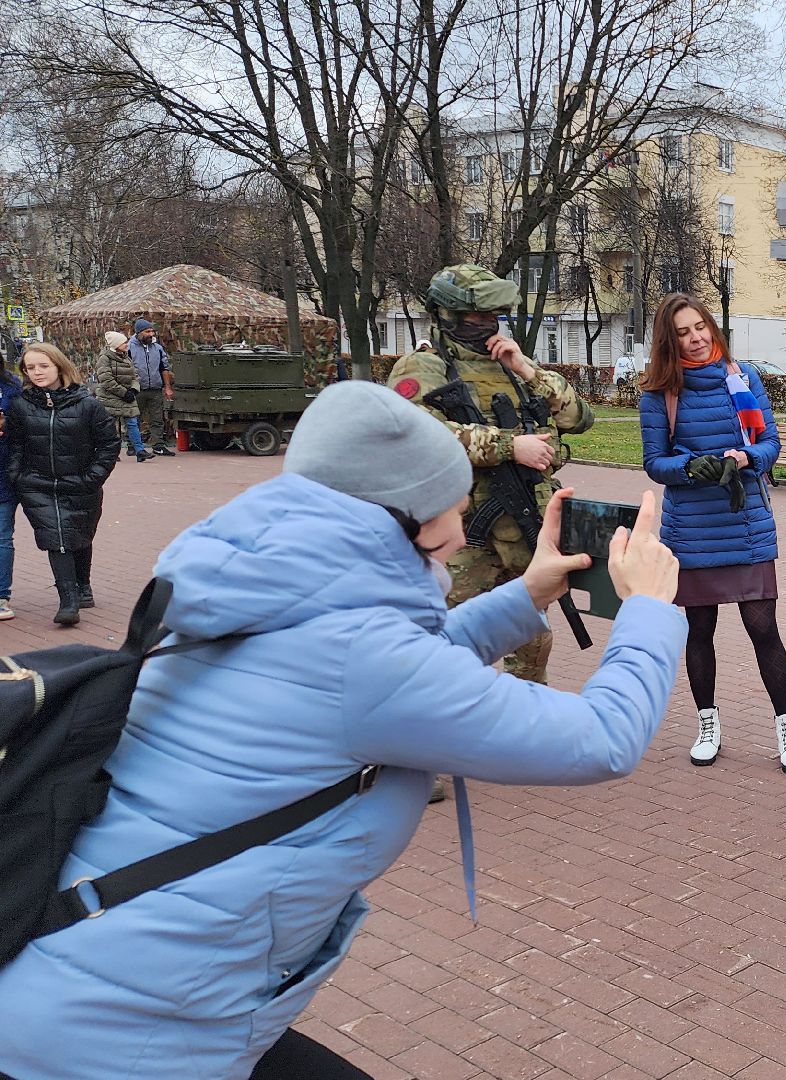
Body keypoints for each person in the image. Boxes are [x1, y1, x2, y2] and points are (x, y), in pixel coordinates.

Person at [0, 381, 685, 1080]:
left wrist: (529, 592)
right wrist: (651, 612)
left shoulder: (252, 579)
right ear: (406, 519)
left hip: (94, 971)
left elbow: (380, 670)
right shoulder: (363, 662)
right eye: (455, 506)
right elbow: (604, 736)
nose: (462, 522)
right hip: (126, 1037)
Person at [387, 263, 595, 685]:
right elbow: (410, 433)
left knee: (532, 641)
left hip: (523, 528)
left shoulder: (510, 364)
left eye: (492, 318)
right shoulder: (424, 367)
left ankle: (523, 728)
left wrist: (528, 370)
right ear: (446, 315)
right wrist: (507, 446)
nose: (485, 327)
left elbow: (580, 418)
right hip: (463, 536)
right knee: (453, 646)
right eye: (475, 319)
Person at [640, 292, 786, 773]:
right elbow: (655, 463)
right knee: (700, 630)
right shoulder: (659, 392)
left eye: (700, 328)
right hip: (691, 530)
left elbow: (770, 443)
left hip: (745, 523)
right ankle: (707, 724)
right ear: (667, 342)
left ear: (712, 327)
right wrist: (695, 466)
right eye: (682, 333)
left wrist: (747, 458)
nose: (694, 339)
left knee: (763, 627)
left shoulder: (743, 377)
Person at [4, 343, 118, 626]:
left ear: (59, 366)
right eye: (31, 368)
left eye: (43, 366)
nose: (37, 372)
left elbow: (108, 444)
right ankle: (68, 600)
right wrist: (18, 474)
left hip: (80, 483)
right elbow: (16, 444)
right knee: (56, 538)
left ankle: (83, 586)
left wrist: (92, 477)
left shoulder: (87, 404)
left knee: (79, 532)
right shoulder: (21, 405)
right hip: (37, 485)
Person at [93, 331, 152, 462]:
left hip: (127, 395)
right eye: (124, 342)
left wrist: (133, 389)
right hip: (110, 397)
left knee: (132, 423)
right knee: (110, 426)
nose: (126, 344)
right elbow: (106, 380)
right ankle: (110, 452)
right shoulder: (104, 359)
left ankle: (140, 451)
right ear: (116, 344)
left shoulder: (126, 357)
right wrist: (123, 392)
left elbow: (135, 376)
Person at [128, 318, 175, 456]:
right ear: (139, 332)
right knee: (134, 418)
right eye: (147, 331)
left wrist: (167, 387)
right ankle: (133, 445)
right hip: (137, 389)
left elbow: (164, 368)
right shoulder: (129, 347)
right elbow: (125, 369)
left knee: (157, 419)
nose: (151, 334)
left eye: (152, 331)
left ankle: (158, 445)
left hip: (155, 388)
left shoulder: (158, 348)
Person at [0, 353, 20, 621]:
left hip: (3, 474)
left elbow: (22, 426)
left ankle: (1, 595)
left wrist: (8, 425)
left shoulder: (11, 387)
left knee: (2, 537)